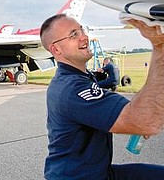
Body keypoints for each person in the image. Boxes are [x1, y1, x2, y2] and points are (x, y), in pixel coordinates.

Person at [39, 14, 164, 180]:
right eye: (73, 34)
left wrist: (140, 116)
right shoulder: (72, 88)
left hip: (95, 173)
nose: (84, 37)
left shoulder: (79, 77)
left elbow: (136, 115)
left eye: (81, 30)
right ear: (56, 50)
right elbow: (145, 122)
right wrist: (160, 45)